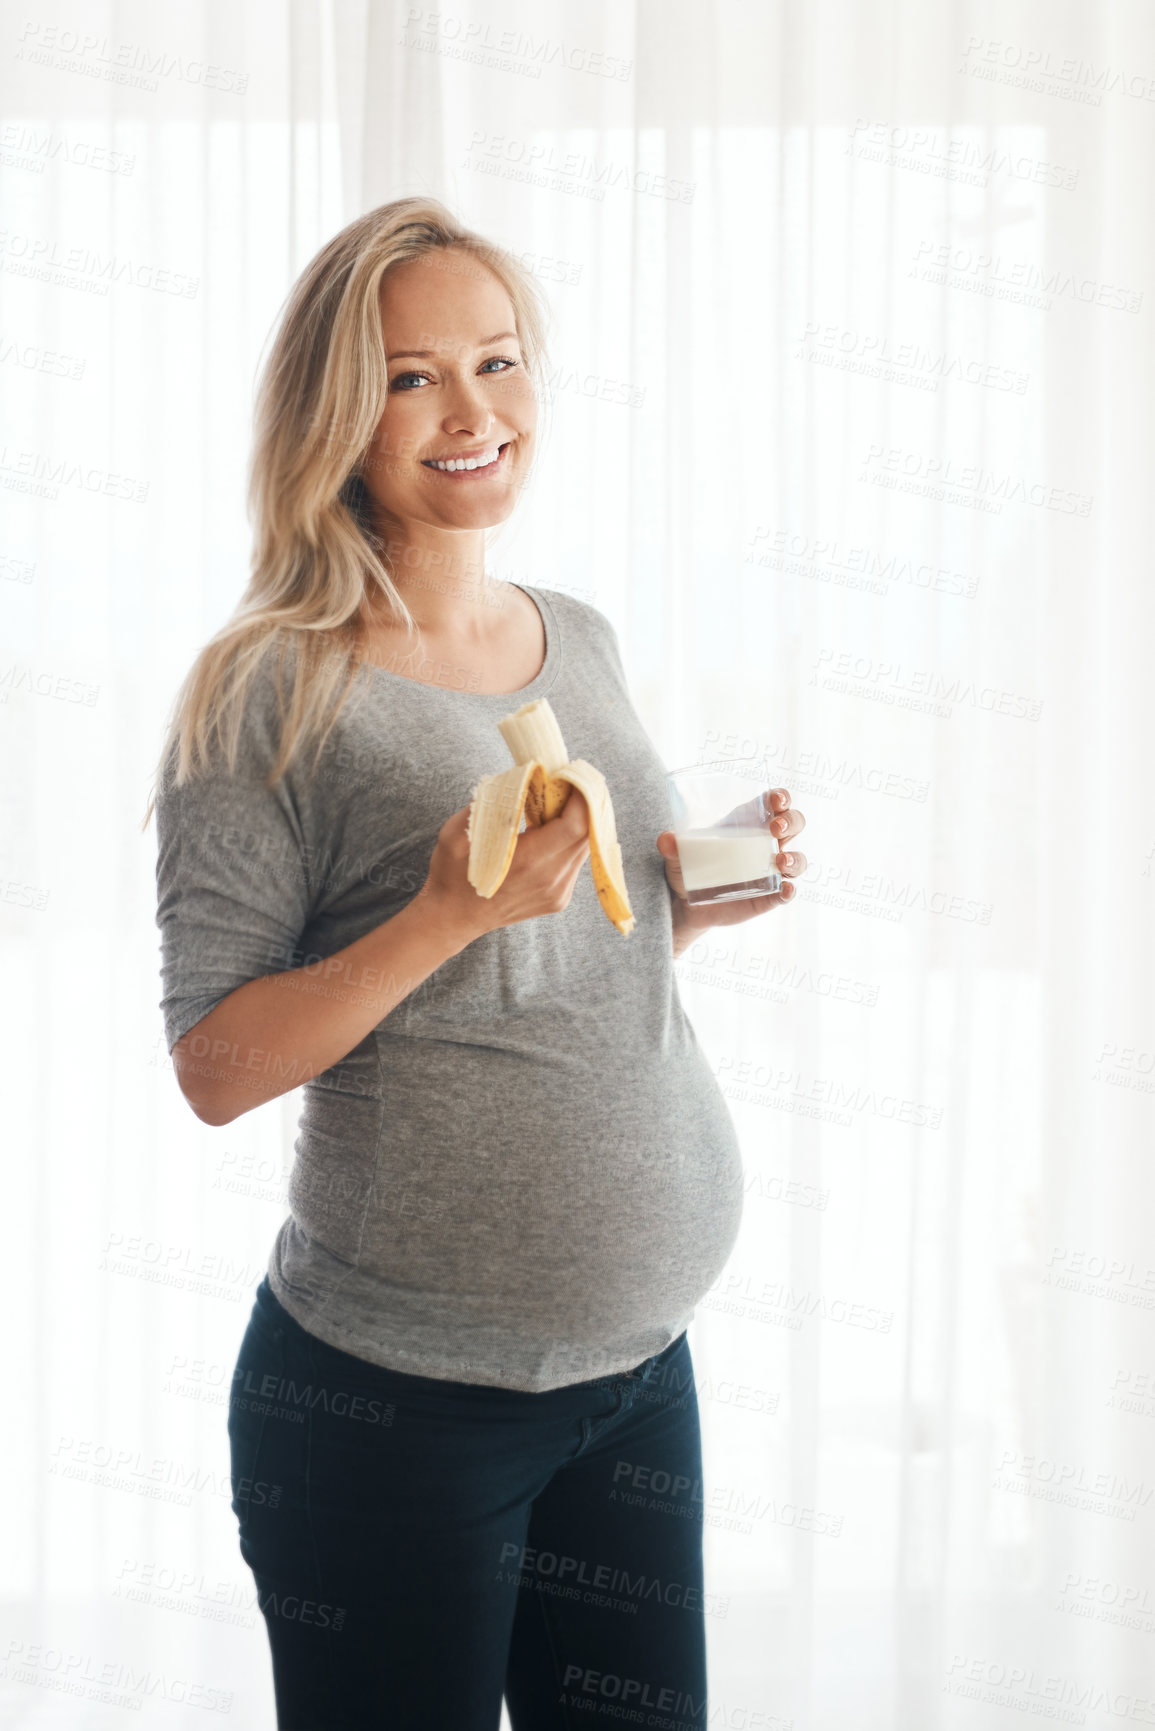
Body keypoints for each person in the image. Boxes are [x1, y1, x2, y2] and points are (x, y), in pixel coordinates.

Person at [143, 196, 806, 1731]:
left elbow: (562, 944)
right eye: (411, 375)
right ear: (335, 409)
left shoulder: (572, 630)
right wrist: (444, 913)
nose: (472, 411)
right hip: (397, 1409)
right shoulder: (266, 693)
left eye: (499, 363)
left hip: (638, 1371)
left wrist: (697, 880)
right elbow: (214, 1067)